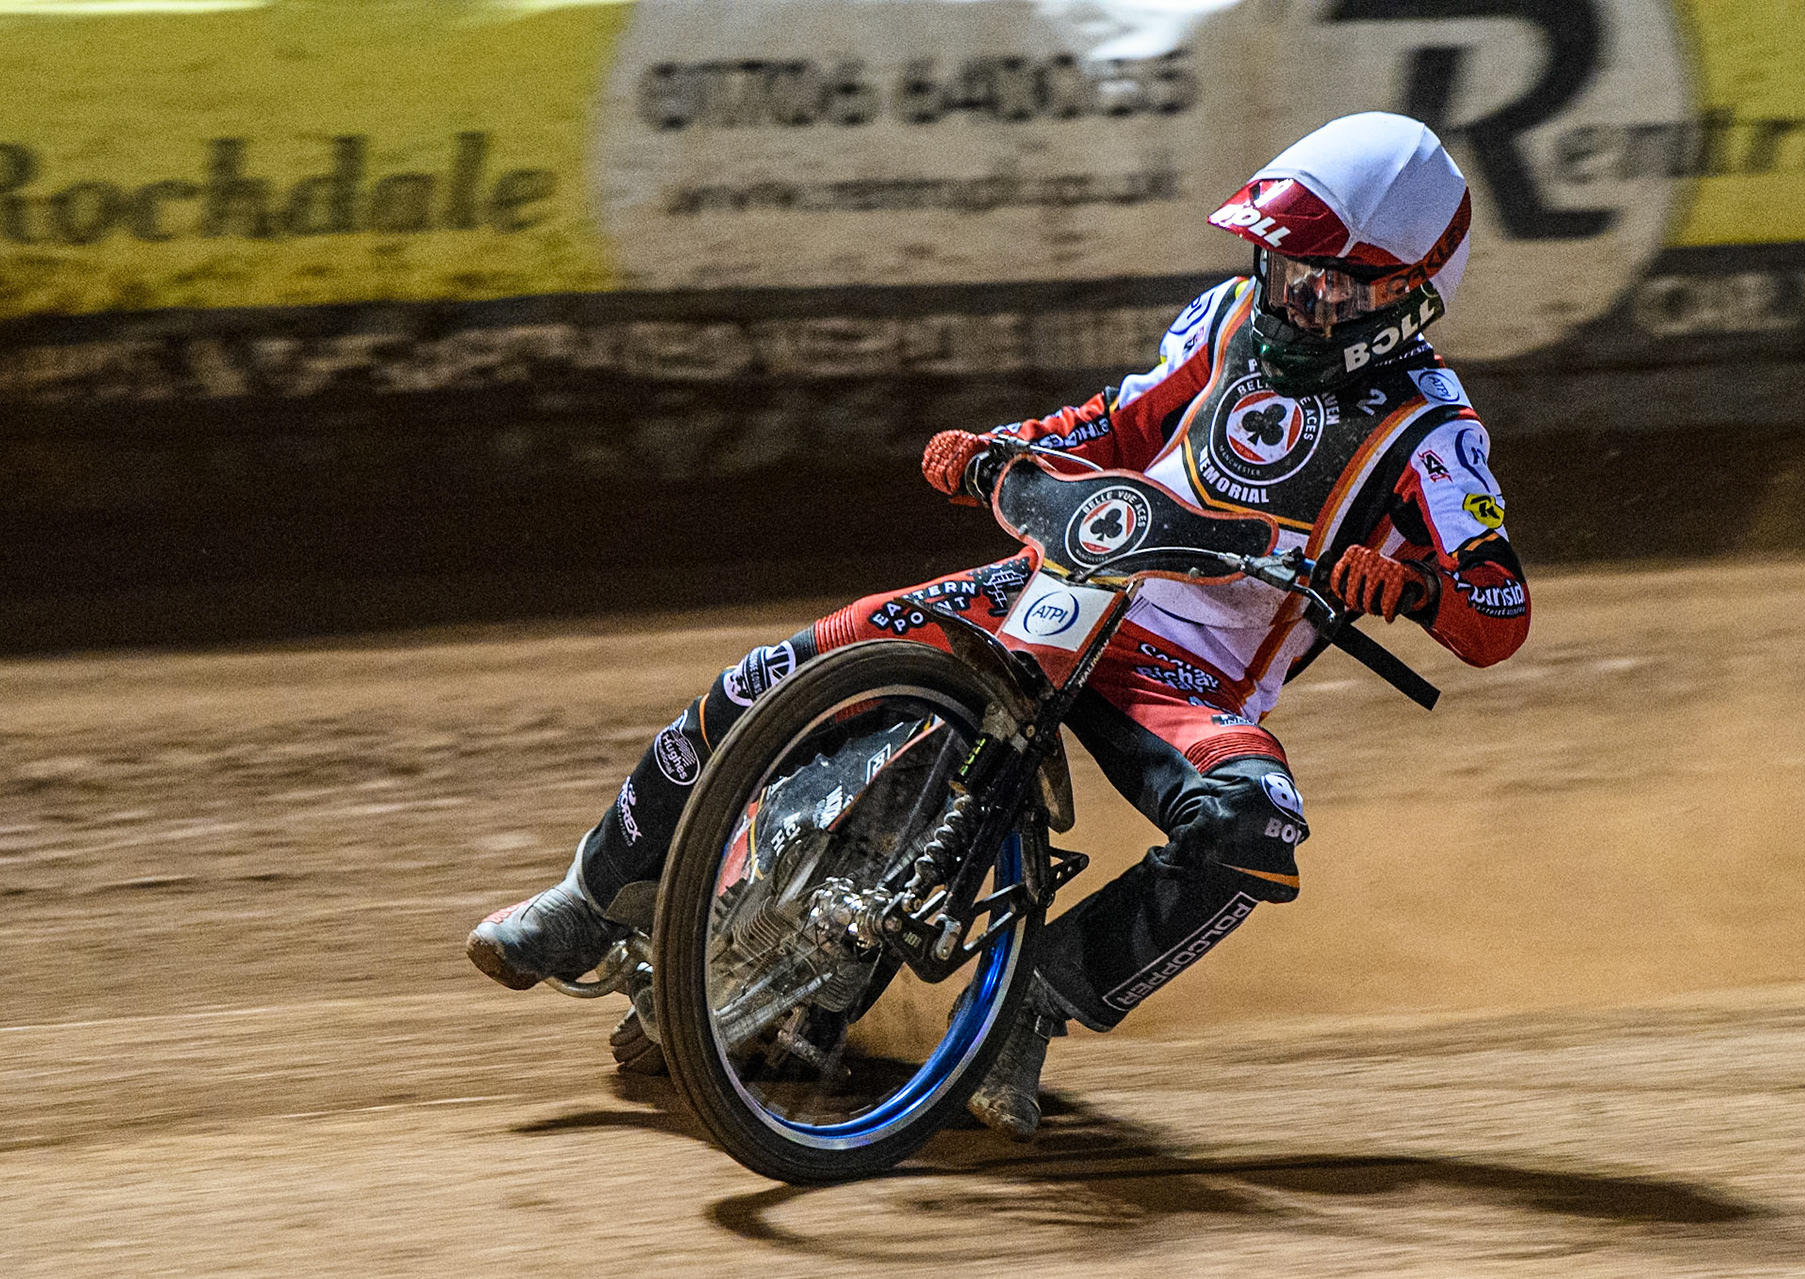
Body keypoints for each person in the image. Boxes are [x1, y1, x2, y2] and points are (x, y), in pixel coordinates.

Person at [468, 111, 1531, 1140]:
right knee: (785, 671)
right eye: (1284, 270)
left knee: (1253, 829)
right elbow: (1118, 423)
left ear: (1405, 295)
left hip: (1186, 684)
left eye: (1327, 286)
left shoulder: (1434, 434)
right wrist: (1000, 446)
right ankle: (588, 896)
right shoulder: (1225, 322)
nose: (1294, 301)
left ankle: (1035, 1002)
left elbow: (1498, 614)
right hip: (1060, 586)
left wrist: (1412, 589)